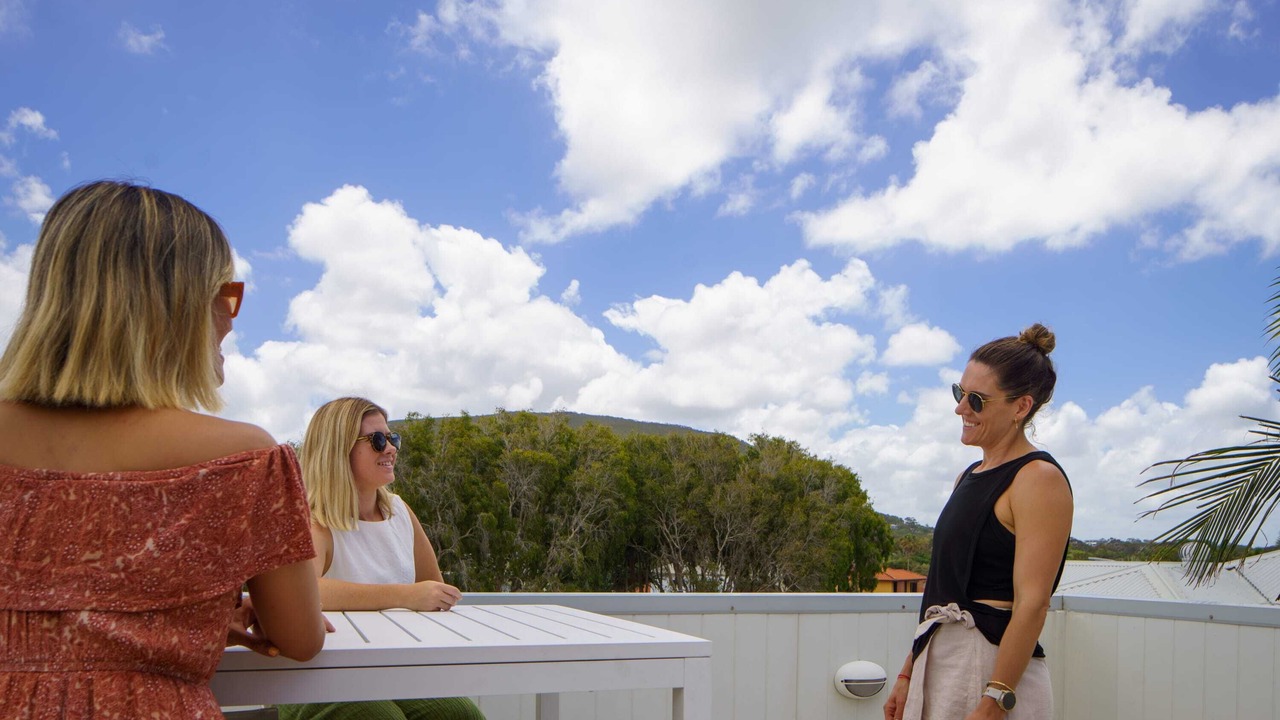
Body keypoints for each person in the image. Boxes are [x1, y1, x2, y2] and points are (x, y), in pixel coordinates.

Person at [0, 180, 327, 719]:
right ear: (172, 306)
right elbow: (300, 637)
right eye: (227, 295)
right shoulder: (242, 459)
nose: (231, 315)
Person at [883, 324, 1073, 720]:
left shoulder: (1038, 479)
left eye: (976, 400)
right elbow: (941, 586)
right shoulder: (967, 476)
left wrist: (994, 702)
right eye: (959, 393)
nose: (960, 408)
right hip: (940, 660)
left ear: (1021, 407)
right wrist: (908, 671)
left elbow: (1033, 603)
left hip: (991, 670)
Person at [280, 396, 485, 720]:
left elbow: (433, 590)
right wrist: (405, 596)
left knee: (460, 715)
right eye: (377, 440)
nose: (390, 448)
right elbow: (304, 592)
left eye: (393, 438)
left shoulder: (399, 512)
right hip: (318, 673)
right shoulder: (315, 521)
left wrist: (424, 597)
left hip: (391, 669)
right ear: (339, 449)